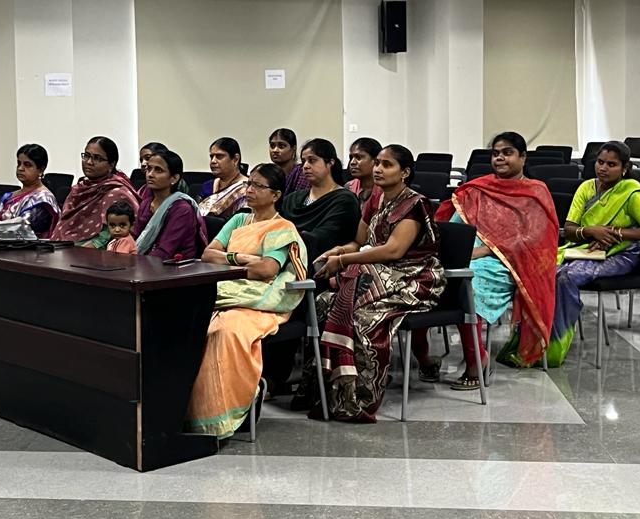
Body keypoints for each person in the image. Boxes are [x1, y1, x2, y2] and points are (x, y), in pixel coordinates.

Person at [297, 144, 445, 422]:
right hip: (375, 271)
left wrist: (344, 262)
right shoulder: (376, 201)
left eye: (387, 164)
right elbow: (360, 241)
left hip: (412, 277)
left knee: (362, 318)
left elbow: (394, 251)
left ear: (405, 172)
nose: (377, 169)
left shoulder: (414, 204)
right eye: (376, 163)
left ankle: (357, 398)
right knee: (323, 304)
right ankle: (325, 393)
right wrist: (340, 250)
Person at [186, 163, 308, 438]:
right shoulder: (239, 220)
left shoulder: (282, 228)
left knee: (225, 331)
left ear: (275, 195)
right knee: (191, 325)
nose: (249, 190)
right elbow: (209, 254)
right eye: (248, 184)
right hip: (226, 292)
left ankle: (234, 407)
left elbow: (267, 270)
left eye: (257, 186)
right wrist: (240, 258)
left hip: (260, 303)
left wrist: (236, 262)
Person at [434, 132, 559, 384]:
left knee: (470, 283)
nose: (500, 157)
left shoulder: (535, 192)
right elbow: (456, 227)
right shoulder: (478, 188)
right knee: (427, 273)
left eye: (507, 152)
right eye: (496, 153)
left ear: (523, 157)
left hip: (512, 263)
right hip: (469, 255)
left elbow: (533, 240)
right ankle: (424, 358)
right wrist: (454, 251)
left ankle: (476, 360)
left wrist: (485, 250)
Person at [544, 141, 640, 367]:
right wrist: (591, 231)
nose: (603, 168)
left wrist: (616, 233)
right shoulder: (586, 188)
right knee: (542, 271)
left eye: (611, 164)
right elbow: (569, 229)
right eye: (600, 162)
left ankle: (555, 343)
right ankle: (532, 339)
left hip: (620, 254)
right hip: (583, 249)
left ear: (624, 168)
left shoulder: (632, 193)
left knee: (565, 277)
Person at [280, 138, 362, 258]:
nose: (306, 166)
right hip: (281, 255)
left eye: (312, 160)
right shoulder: (293, 199)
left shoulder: (344, 199)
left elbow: (326, 237)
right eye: (303, 161)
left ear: (330, 162)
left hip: (321, 261)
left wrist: (286, 240)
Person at [52, 136, 139, 247]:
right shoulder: (79, 189)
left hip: (95, 257)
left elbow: (108, 237)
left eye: (97, 158)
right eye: (86, 156)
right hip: (63, 249)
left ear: (111, 164)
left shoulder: (116, 192)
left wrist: (76, 252)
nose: (89, 162)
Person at [134, 148, 207, 260]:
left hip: (174, 269)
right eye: (149, 169)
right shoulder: (146, 203)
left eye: (158, 170)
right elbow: (135, 239)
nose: (150, 174)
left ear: (174, 178)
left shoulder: (182, 209)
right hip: (145, 263)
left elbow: (165, 251)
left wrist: (134, 265)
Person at [0, 143, 60, 238]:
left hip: (30, 250)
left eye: (27, 165)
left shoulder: (43, 199)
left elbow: (22, 229)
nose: (20, 168)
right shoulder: (9, 196)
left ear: (41, 169)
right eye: (19, 163)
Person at [197, 137, 248, 217]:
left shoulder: (247, 188)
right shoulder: (208, 186)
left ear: (235, 159)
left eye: (219, 156)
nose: (213, 161)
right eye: (211, 157)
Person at [346, 137, 384, 208]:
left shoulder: (386, 189)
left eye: (358, 157)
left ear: (375, 161)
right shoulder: (349, 187)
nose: (352, 162)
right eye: (351, 158)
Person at [268, 128, 307, 195]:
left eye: (281, 146)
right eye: (272, 146)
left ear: (293, 149)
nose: (275, 150)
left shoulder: (302, 174)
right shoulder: (267, 173)